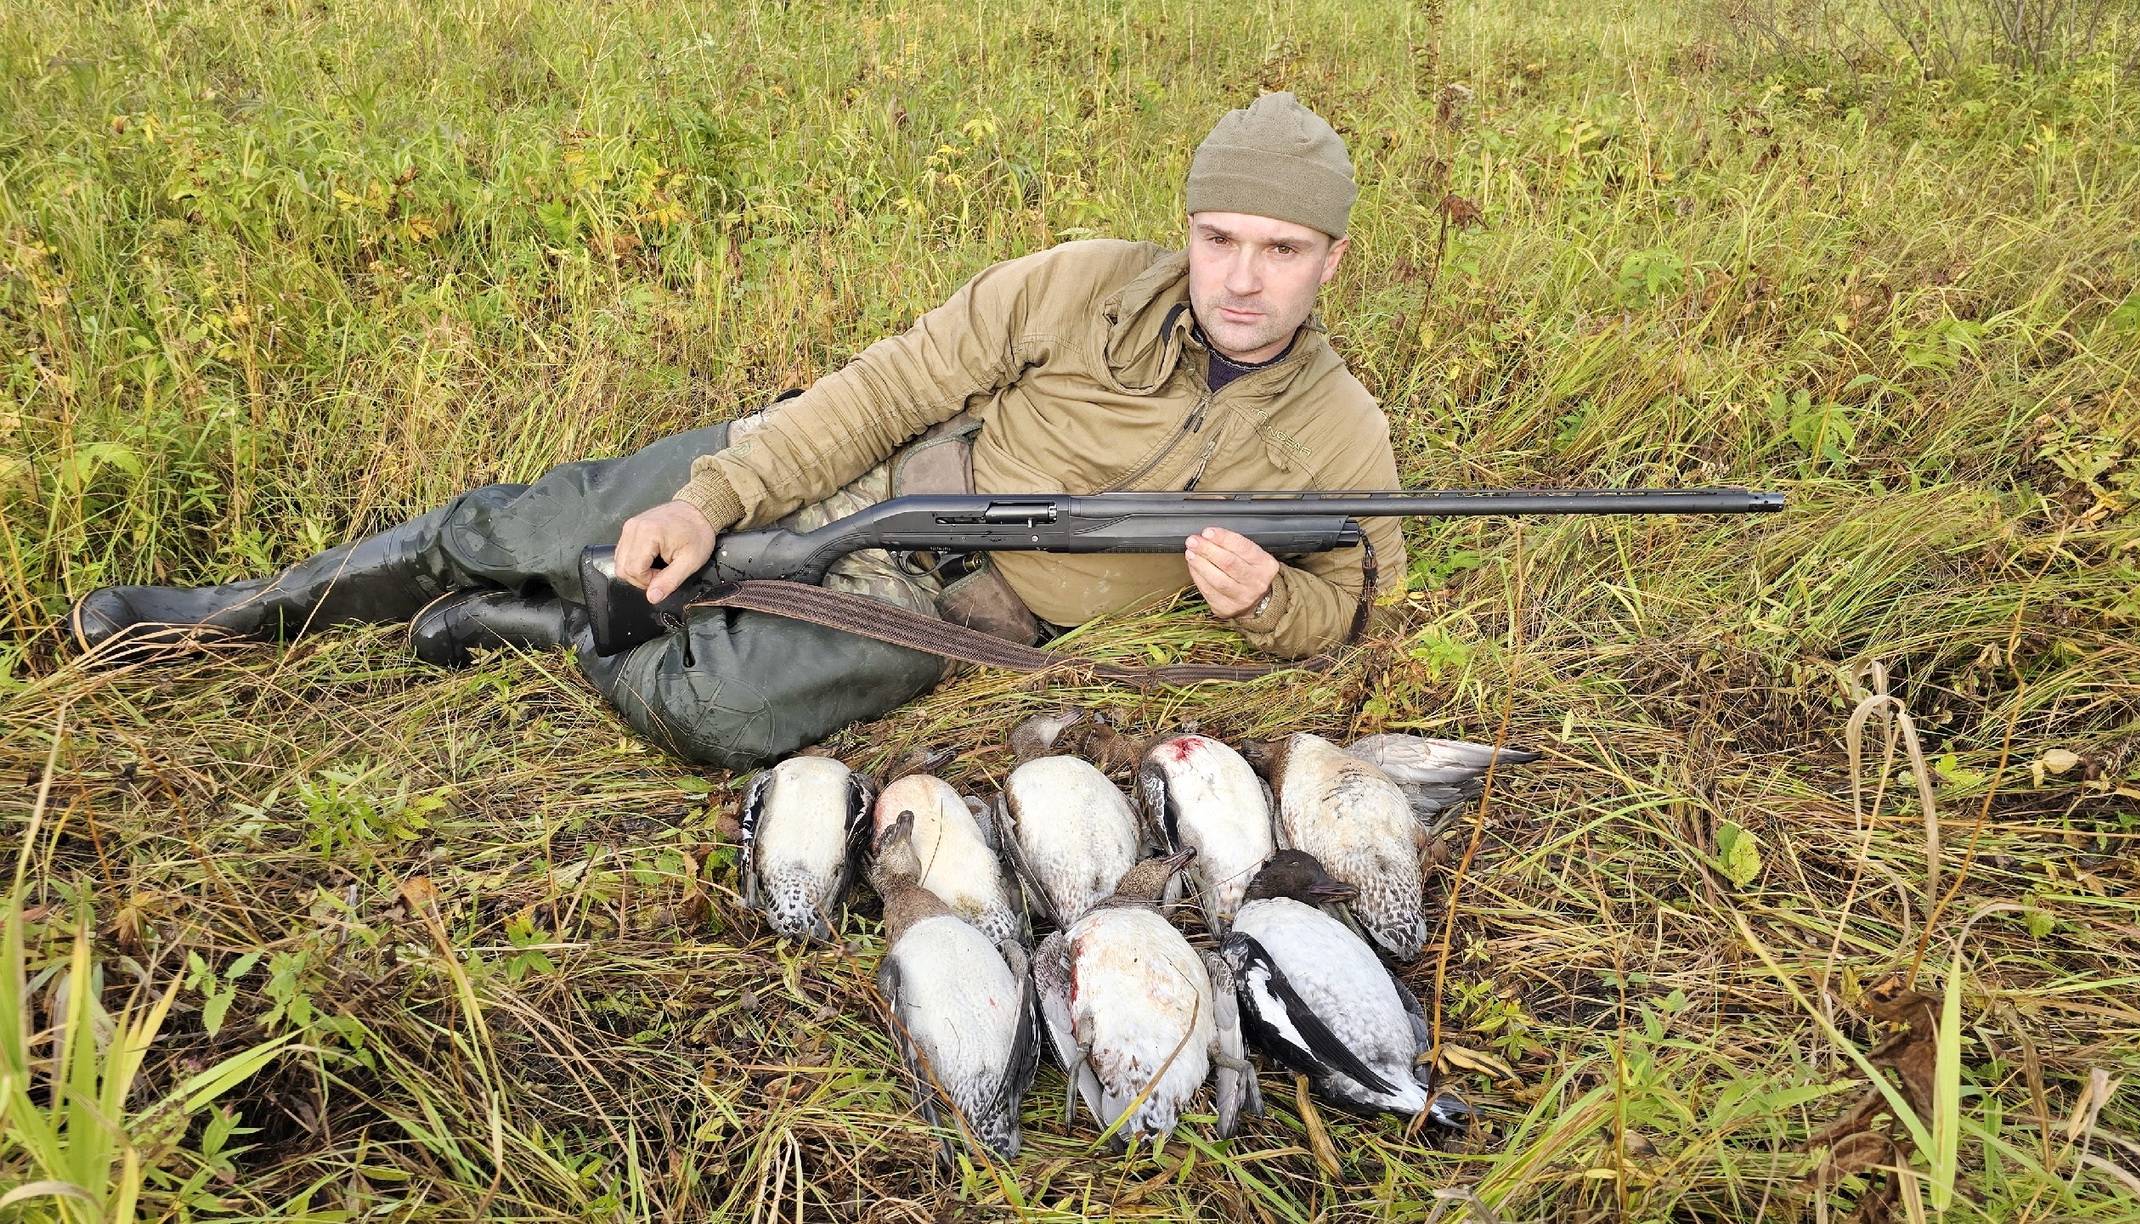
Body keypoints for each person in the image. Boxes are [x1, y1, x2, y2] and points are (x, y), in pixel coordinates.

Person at [67, 93, 1409, 770]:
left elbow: (1353, 614)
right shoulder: (1079, 283)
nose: (1242, 279)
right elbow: (883, 391)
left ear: (1333, 260)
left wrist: (1266, 604)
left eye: (1282, 250)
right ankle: (236, 616)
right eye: (1219, 238)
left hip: (963, 607)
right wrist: (713, 501)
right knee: (521, 522)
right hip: (876, 481)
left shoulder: (1344, 437)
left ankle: (533, 627)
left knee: (719, 713)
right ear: (1186, 230)